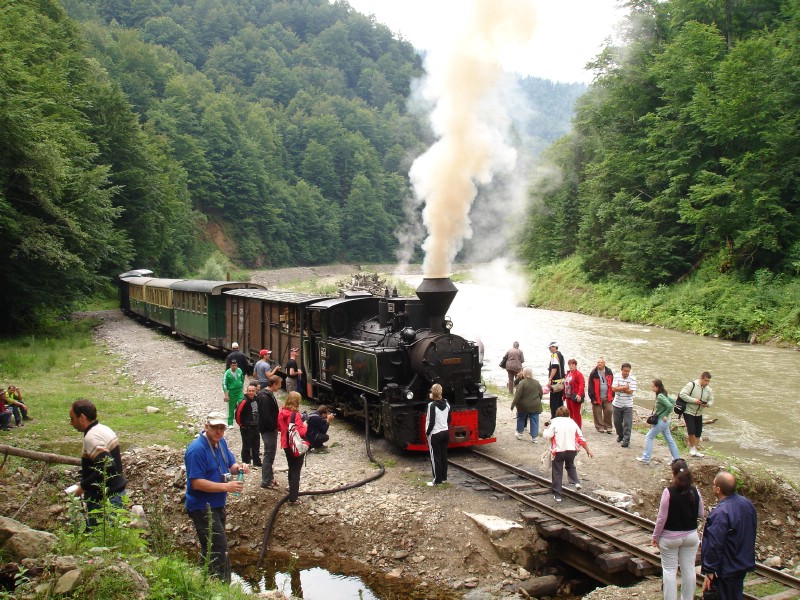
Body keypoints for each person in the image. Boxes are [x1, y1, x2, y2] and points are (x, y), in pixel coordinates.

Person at [184, 411, 247, 582]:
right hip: (202, 507)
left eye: (221, 428)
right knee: (219, 550)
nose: (219, 432)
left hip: (217, 504)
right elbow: (196, 483)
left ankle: (202, 581)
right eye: (215, 428)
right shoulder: (196, 450)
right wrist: (226, 487)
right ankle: (222, 586)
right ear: (206, 427)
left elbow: (230, 464)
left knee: (209, 548)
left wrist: (238, 468)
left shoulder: (221, 443)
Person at [68, 399, 129, 527]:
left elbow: (106, 465)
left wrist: (83, 486)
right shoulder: (104, 429)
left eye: (72, 419)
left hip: (104, 499)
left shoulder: (91, 437)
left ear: (82, 417)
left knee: (102, 540)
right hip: (117, 493)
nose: (71, 423)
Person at [651, 458, 704, 600]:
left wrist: (655, 536)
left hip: (670, 538)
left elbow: (661, 518)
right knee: (689, 570)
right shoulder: (695, 491)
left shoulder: (668, 492)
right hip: (691, 536)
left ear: (673, 473)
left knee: (669, 571)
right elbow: (701, 513)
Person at [701, 471, 758, 600]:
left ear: (718, 489)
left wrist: (709, 570)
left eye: (713, 484)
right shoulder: (748, 505)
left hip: (726, 568)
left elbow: (714, 544)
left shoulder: (721, 513)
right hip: (742, 563)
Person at [542, 406, 593, 502]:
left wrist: (545, 430)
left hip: (558, 450)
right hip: (571, 450)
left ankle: (557, 495)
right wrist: (588, 450)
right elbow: (580, 438)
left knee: (557, 471)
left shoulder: (554, 422)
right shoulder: (573, 423)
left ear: (557, 414)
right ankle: (576, 482)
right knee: (570, 465)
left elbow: (548, 435)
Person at [637, 380, 680, 464]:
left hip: (661, 421)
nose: (651, 388)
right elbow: (672, 401)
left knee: (649, 437)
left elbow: (670, 405)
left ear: (657, 387)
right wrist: (665, 414)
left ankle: (646, 458)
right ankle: (676, 458)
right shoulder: (664, 394)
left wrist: (665, 415)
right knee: (669, 439)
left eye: (653, 386)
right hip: (665, 422)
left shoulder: (660, 396)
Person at [277, 391, 308, 504]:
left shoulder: (282, 412)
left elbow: (279, 427)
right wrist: (305, 425)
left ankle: (291, 488)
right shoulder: (296, 415)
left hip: (286, 444)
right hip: (295, 445)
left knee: (291, 467)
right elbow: (301, 431)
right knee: (296, 471)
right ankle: (293, 498)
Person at [679, 372, 714, 457]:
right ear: (701, 378)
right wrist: (694, 400)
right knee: (691, 430)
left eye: (708, 381)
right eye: (705, 380)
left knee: (698, 432)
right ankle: (691, 448)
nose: (707, 383)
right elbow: (682, 394)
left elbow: (711, 400)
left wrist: (707, 404)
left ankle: (695, 449)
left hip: (699, 412)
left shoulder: (708, 389)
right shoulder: (691, 385)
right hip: (688, 411)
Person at [257, 375, 282, 489]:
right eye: (279, 384)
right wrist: (274, 426)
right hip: (268, 430)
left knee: (270, 454)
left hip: (269, 428)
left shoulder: (265, 394)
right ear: (275, 384)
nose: (280, 386)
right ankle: (266, 481)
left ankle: (269, 477)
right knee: (269, 454)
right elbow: (266, 416)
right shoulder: (265, 397)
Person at [425, 383, 450, 486]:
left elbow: (431, 422)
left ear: (432, 392)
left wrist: (427, 432)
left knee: (435, 457)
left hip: (435, 433)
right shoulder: (447, 404)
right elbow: (449, 419)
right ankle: (444, 478)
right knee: (444, 455)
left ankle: (437, 480)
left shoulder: (431, 405)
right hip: (445, 432)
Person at [510, 367, 543, 442]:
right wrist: (538, 400)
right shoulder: (537, 382)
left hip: (523, 406)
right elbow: (541, 393)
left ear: (524, 374)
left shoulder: (522, 383)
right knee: (534, 420)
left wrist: (513, 405)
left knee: (521, 418)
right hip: (535, 405)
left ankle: (520, 434)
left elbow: (517, 396)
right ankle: (534, 438)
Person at [235, 384, 261, 467]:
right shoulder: (244, 401)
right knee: (246, 446)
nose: (251, 393)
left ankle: (256, 462)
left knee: (256, 445)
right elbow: (238, 415)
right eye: (249, 391)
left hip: (255, 426)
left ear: (255, 391)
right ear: (247, 391)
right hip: (247, 427)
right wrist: (243, 425)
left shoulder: (256, 399)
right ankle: (246, 462)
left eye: (253, 391)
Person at [612, 362, 637, 448]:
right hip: (617, 403)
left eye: (628, 371)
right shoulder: (616, 376)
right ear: (621, 370)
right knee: (616, 422)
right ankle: (620, 435)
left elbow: (631, 391)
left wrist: (620, 388)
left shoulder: (633, 378)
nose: (626, 373)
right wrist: (625, 387)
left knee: (627, 423)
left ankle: (626, 441)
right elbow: (613, 389)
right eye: (625, 371)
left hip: (628, 404)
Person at [587, 357, 614, 433]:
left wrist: (612, 395)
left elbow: (613, 383)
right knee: (597, 412)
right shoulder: (593, 373)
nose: (599, 364)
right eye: (598, 362)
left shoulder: (609, 371)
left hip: (607, 396)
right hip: (597, 396)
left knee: (609, 410)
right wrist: (592, 398)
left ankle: (608, 426)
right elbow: (590, 386)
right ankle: (600, 427)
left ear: (604, 363)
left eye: (601, 362)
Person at [222, 359, 244, 426]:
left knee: (242, 403)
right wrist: (226, 395)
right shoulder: (227, 373)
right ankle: (230, 423)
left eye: (236, 365)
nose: (235, 367)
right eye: (233, 365)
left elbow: (242, 379)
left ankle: (241, 419)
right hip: (232, 392)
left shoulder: (239, 370)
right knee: (231, 407)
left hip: (239, 391)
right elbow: (224, 384)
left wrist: (242, 387)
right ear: (230, 365)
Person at [564, 359, 585, 428]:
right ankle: (572, 427)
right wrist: (564, 395)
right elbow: (566, 385)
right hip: (568, 395)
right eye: (569, 365)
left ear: (575, 365)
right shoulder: (568, 373)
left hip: (575, 395)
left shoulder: (578, 374)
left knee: (576, 413)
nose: (571, 366)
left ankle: (578, 428)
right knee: (570, 412)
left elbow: (582, 384)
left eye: (572, 365)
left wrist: (579, 394)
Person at [546, 342, 566, 417]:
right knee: (560, 402)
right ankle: (562, 417)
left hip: (555, 383)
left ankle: (554, 417)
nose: (549, 349)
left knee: (554, 403)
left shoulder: (554, 355)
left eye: (550, 347)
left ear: (555, 347)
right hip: (561, 382)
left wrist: (550, 379)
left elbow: (554, 368)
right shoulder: (560, 355)